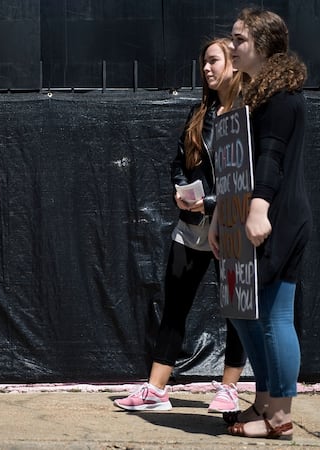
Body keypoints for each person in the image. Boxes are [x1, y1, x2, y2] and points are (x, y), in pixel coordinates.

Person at [115, 38, 246, 413]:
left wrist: (209, 202)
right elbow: (179, 160)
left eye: (214, 61)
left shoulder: (247, 115)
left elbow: (247, 182)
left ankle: (230, 389)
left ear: (233, 65)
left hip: (233, 225)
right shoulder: (198, 113)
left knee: (236, 307)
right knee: (174, 306)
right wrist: (180, 190)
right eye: (204, 62)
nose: (206, 69)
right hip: (190, 227)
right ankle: (156, 391)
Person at [208, 7, 310, 440]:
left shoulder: (282, 98)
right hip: (247, 215)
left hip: (276, 218)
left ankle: (281, 417)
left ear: (263, 45)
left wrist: (258, 208)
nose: (232, 46)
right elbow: (237, 166)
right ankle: (265, 402)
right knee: (243, 312)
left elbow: (269, 159)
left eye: (240, 39)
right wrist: (218, 216)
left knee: (272, 315)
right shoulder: (255, 97)